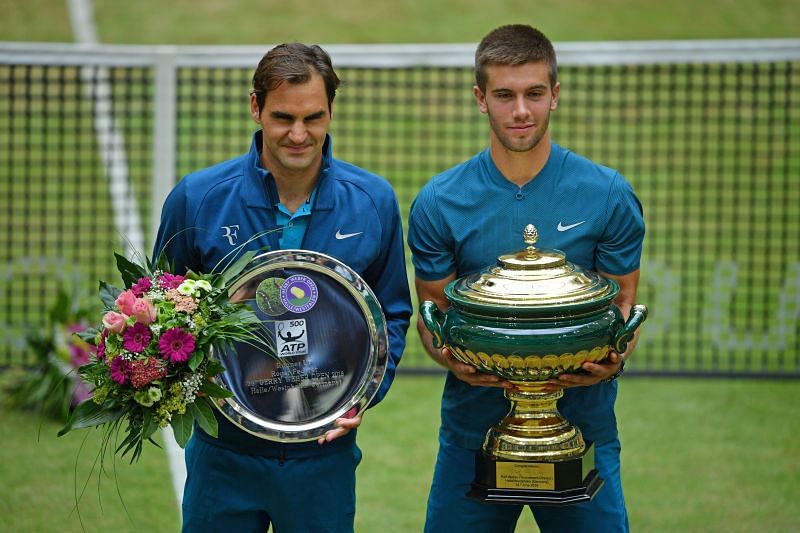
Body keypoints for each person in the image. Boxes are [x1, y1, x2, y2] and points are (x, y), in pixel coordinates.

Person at [153, 42, 412, 532]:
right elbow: (161, 309)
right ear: (256, 107)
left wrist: (362, 393)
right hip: (222, 452)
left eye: (313, 118)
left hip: (323, 454)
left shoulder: (374, 201)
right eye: (282, 118)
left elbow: (391, 313)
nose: (298, 134)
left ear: (331, 110)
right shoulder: (197, 198)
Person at [407, 24, 645, 533]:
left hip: (582, 427)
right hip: (473, 432)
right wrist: (454, 360)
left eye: (535, 93)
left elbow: (623, 304)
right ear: (480, 98)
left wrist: (613, 358)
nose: (521, 111)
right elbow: (433, 319)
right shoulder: (439, 201)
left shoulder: (607, 194)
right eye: (505, 95)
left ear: (555, 95)